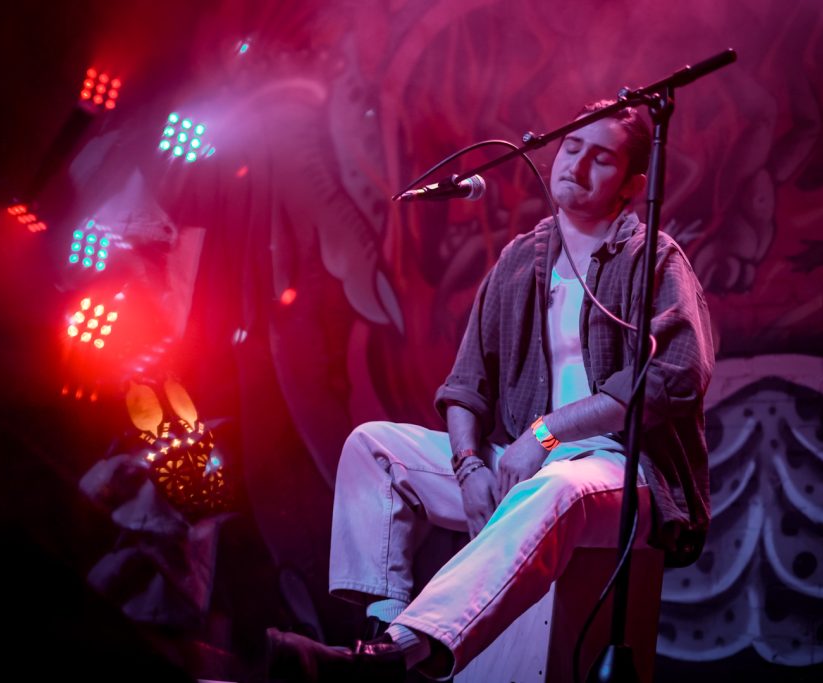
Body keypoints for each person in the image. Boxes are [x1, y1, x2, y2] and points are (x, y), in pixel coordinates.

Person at [267, 100, 714, 682]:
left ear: (632, 185)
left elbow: (673, 377)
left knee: (557, 484)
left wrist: (546, 433)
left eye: (600, 158)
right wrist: (469, 463)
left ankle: (401, 656)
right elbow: (464, 385)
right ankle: (380, 643)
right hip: (530, 466)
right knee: (373, 446)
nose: (576, 165)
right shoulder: (523, 257)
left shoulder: (652, 257)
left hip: (623, 475)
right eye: (571, 148)